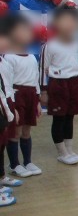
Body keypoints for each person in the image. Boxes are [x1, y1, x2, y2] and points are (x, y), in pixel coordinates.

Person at [39, 6, 78, 165]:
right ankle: (61, 152)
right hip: (58, 84)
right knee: (59, 118)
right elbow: (42, 69)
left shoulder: (77, 43)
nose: (69, 24)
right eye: (65, 20)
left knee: (70, 117)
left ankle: (69, 149)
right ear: (56, 23)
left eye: (72, 21)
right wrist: (44, 91)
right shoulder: (50, 46)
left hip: (74, 83)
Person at [2, 14, 42, 176]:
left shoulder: (32, 57)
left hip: (31, 95)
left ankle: (28, 161)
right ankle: (14, 164)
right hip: (17, 96)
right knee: (16, 132)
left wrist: (37, 101)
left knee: (27, 131)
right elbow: (7, 83)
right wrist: (12, 106)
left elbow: (35, 79)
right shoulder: (8, 57)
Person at [0, 17, 20, 200]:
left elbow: (7, 88)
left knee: (2, 143)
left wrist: (11, 109)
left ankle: (1, 177)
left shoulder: (4, 62)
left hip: (5, 104)